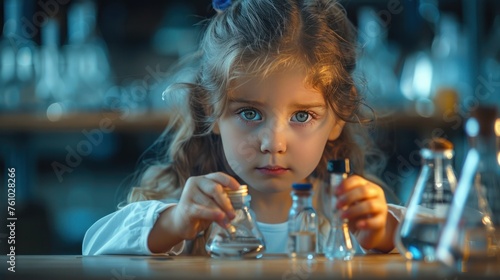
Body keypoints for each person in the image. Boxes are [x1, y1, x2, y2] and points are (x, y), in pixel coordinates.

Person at [83, 0, 403, 256]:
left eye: (302, 116)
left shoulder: (354, 216)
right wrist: (175, 222)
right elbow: (93, 245)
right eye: (249, 113)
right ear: (212, 110)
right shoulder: (189, 209)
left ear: (338, 117)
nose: (273, 143)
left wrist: (384, 233)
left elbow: (446, 245)